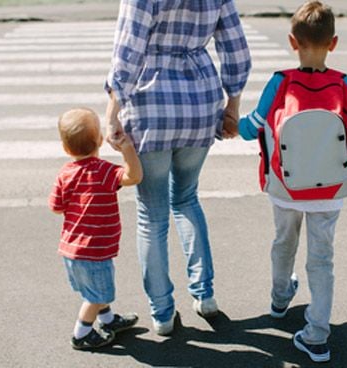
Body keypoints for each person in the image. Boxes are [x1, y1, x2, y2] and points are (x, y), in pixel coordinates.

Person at [104, 0, 251, 335]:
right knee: (186, 198)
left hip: (150, 106)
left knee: (151, 214)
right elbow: (235, 48)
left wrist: (112, 112)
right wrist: (233, 106)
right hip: (200, 105)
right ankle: (205, 295)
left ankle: (162, 313)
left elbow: (128, 49)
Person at [238, 1, 347, 363]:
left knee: (283, 242)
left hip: (286, 186)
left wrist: (231, 126)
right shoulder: (342, 83)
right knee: (322, 261)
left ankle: (279, 300)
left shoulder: (281, 82)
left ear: (293, 42)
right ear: (334, 43)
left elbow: (255, 126)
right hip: (329, 191)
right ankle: (317, 336)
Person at [49, 107, 143, 350]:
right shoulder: (104, 172)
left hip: (72, 250)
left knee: (95, 289)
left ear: (65, 148)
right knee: (97, 296)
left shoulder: (65, 174)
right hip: (94, 251)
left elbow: (56, 207)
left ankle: (108, 320)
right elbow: (134, 177)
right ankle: (81, 335)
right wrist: (128, 149)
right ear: (100, 140)